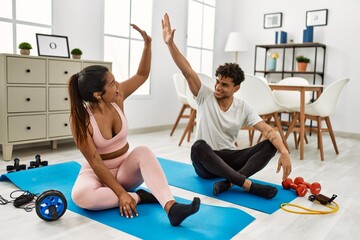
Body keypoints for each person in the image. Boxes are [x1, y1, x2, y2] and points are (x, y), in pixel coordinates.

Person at [68, 23, 200, 226]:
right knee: (81, 196)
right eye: (111, 83)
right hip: (96, 173)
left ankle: (171, 207)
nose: (117, 85)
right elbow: (95, 163)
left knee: (143, 151)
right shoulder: (80, 119)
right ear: (97, 95)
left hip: (124, 171)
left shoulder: (117, 97)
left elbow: (141, 75)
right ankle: (140, 197)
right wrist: (122, 194)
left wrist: (148, 44)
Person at [162, 14, 291, 199]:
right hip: (205, 163)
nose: (217, 87)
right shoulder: (205, 96)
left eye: (224, 85)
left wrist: (284, 151)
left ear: (236, 88)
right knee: (198, 146)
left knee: (271, 145)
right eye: (217, 82)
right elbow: (187, 71)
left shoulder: (243, 107)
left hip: (229, 161)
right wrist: (170, 44)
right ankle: (247, 185)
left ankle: (229, 182)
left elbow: (268, 131)